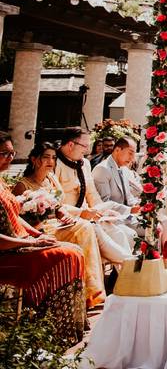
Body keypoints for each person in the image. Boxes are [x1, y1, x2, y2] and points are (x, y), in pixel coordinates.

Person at [0, 132, 86, 342]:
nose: (9, 159)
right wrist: (29, 241)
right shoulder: (21, 183)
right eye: (4, 153)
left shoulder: (1, 183)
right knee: (66, 257)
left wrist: (37, 235)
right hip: (8, 251)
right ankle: (47, 328)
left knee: (75, 251)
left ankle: (65, 327)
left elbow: (15, 217)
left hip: (20, 242)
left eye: (12, 153)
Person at [13, 143, 107, 308]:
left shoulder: (51, 179)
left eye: (54, 158)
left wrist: (65, 216)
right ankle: (86, 293)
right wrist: (37, 225)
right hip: (38, 229)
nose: (51, 161)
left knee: (85, 226)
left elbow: (59, 206)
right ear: (34, 160)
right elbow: (17, 217)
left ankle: (91, 292)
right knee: (84, 228)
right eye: (46, 157)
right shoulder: (23, 185)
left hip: (57, 224)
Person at [54, 127, 137, 259]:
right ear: (70, 145)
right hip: (68, 220)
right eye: (85, 146)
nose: (87, 150)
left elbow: (92, 195)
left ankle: (122, 276)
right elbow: (55, 204)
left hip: (90, 216)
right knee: (112, 244)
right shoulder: (54, 164)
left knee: (125, 235)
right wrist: (81, 213)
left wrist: (102, 211)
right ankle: (130, 265)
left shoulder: (85, 163)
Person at [92, 137, 143, 232]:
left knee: (161, 222)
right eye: (130, 153)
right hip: (113, 219)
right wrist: (130, 210)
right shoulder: (102, 169)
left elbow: (128, 197)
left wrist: (138, 204)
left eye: (134, 154)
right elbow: (104, 202)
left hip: (129, 217)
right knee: (153, 229)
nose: (132, 158)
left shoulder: (124, 168)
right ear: (117, 150)